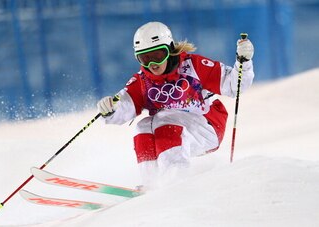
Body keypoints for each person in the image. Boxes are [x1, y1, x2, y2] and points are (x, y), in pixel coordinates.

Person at [97, 21, 254, 187]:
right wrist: (110, 110)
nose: (153, 64)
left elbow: (234, 85)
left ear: (170, 49)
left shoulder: (193, 66)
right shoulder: (142, 81)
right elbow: (124, 106)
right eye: (145, 58)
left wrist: (244, 62)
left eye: (158, 55)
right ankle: (151, 181)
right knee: (143, 127)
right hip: (174, 127)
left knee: (164, 120)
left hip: (207, 126)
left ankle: (175, 179)